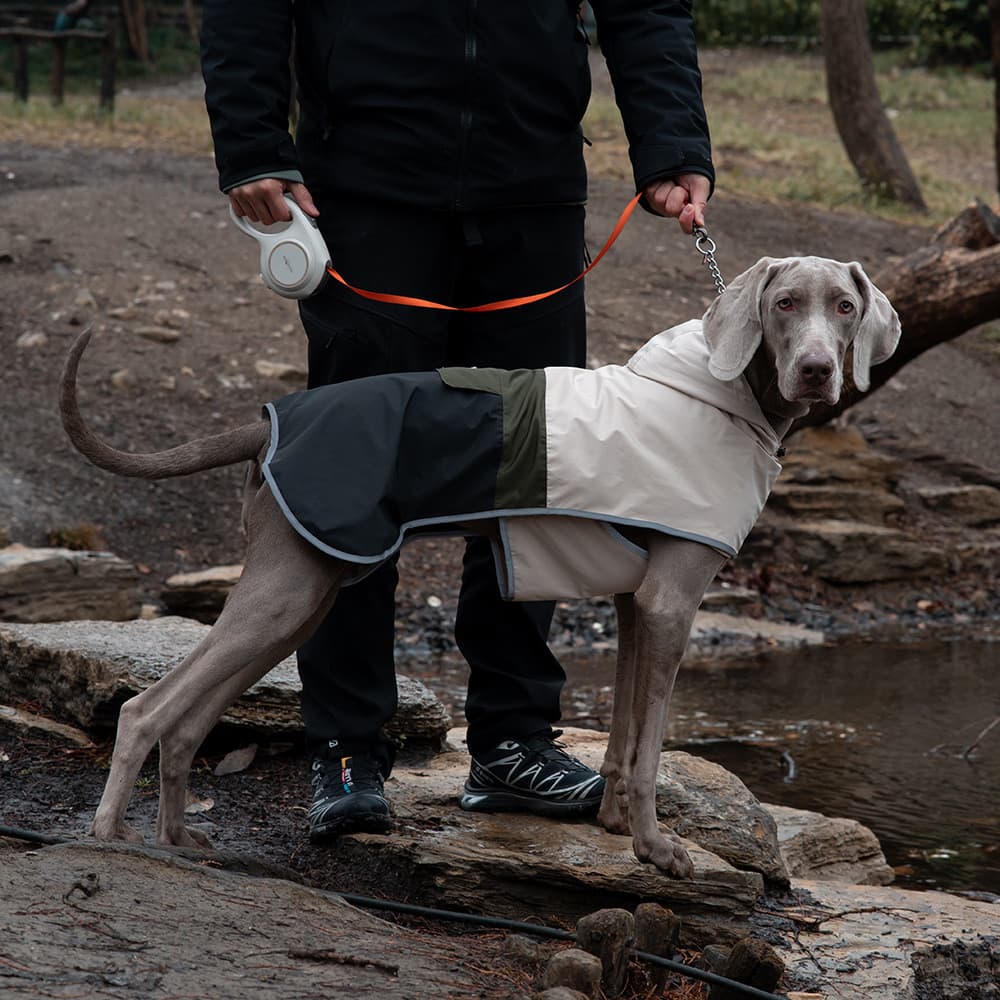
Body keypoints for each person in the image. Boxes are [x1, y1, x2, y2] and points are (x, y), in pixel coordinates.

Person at [200, 0, 714, 841]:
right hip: (362, 188)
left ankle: (513, 740)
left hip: (533, 191)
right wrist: (253, 142)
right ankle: (343, 745)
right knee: (358, 474)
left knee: (538, 465)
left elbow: (646, 6)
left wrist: (674, 144)